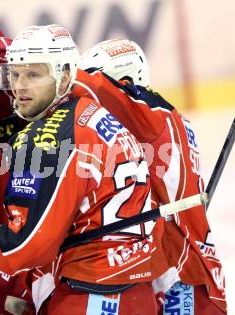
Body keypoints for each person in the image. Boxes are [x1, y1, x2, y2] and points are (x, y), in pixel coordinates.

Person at [0, 24, 172, 315]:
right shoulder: (94, 113)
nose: (20, 86)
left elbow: (29, 241)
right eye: (15, 74)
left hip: (89, 297)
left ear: (65, 75)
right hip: (137, 294)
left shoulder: (44, 139)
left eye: (33, 74)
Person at [74, 38, 226, 314]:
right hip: (178, 269)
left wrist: (23, 60)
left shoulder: (149, 113)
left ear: (127, 80)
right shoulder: (162, 120)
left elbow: (84, 84)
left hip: (182, 278)